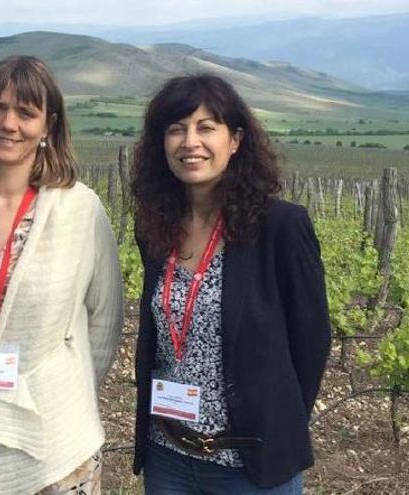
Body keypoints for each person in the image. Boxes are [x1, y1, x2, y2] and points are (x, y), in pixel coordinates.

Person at [0, 55, 123, 495]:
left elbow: (105, 320)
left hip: (55, 436)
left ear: (48, 125)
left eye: (26, 112)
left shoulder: (81, 210)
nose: (8, 123)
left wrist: (65, 388)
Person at [129, 74, 331, 494]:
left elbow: (311, 342)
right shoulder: (155, 229)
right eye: (176, 129)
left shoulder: (280, 226)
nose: (190, 142)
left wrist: (276, 424)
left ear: (235, 140)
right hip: (168, 457)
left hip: (250, 467)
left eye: (206, 127)